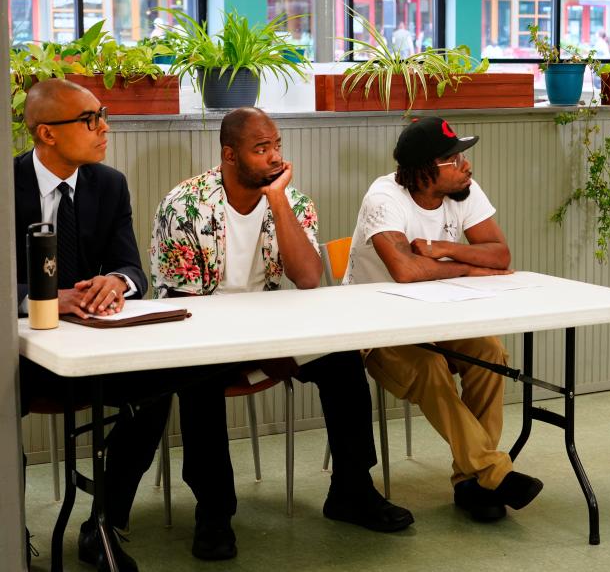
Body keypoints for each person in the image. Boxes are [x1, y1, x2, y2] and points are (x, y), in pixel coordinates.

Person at [150, 107, 414, 559]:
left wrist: (278, 202)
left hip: (273, 332)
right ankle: (214, 511)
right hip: (205, 336)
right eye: (261, 148)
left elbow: (309, 278)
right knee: (198, 383)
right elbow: (182, 301)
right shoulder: (185, 205)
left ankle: (351, 490)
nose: (275, 157)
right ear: (230, 155)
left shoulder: (296, 203)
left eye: (277, 146)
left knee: (342, 359)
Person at [343, 116, 543, 522]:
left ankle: (471, 482)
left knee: (491, 354)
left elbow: (499, 254)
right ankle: (491, 473)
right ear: (425, 170)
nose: (466, 165)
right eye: (454, 159)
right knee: (431, 366)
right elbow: (405, 270)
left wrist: (438, 249)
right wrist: (469, 268)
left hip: (443, 317)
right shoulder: (383, 199)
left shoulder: (462, 189)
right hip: (378, 327)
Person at [14, 78, 172, 571]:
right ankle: (7, 529)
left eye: (102, 114)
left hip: (92, 348)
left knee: (157, 390)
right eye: (89, 119)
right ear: (47, 134)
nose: (105, 127)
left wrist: (116, 283)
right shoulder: (4, 183)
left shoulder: (109, 183)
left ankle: (102, 522)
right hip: (19, 353)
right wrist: (42, 298)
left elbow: (133, 268)